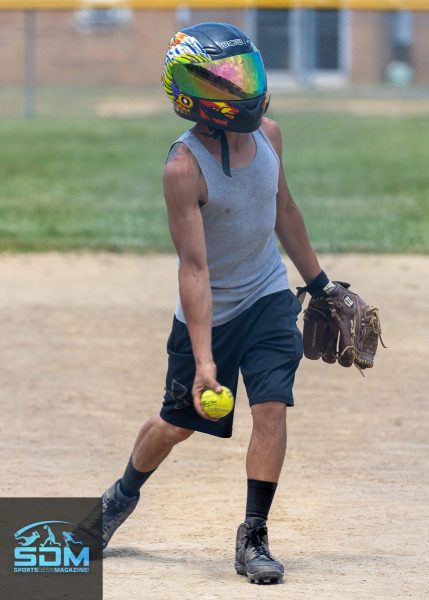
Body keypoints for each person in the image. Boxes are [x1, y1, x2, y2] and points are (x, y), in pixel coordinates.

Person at [99, 22, 336, 585]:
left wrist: (321, 284)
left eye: (246, 73)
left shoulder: (270, 135)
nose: (245, 87)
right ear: (195, 95)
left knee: (272, 407)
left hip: (268, 295)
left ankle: (253, 536)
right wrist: (205, 361)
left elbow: (285, 211)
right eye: (230, 79)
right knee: (176, 425)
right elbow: (195, 268)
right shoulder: (183, 169)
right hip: (210, 312)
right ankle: (119, 497)